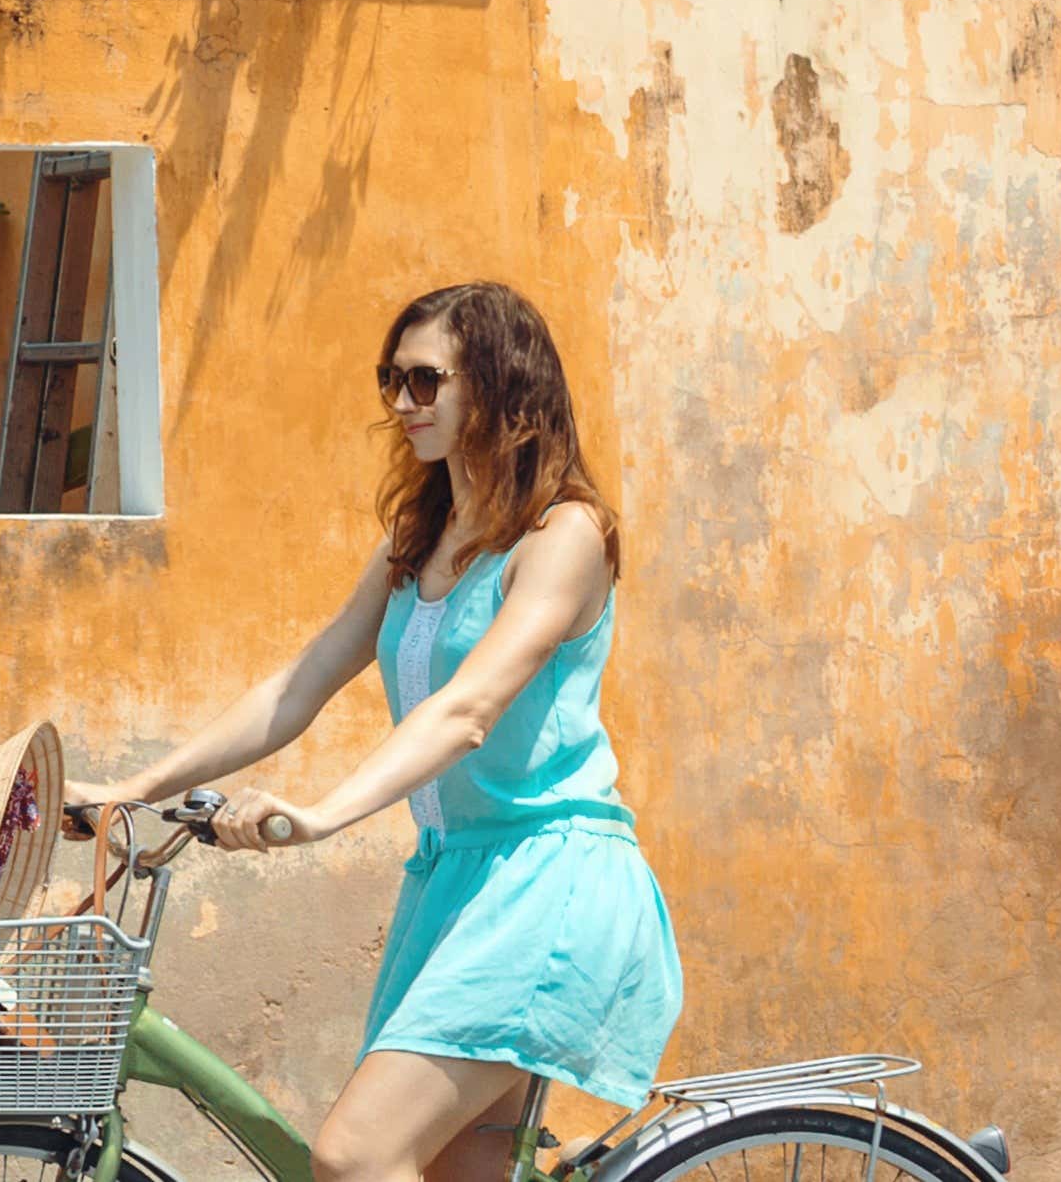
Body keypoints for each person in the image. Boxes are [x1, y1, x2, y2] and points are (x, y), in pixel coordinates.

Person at [69, 281, 681, 1182]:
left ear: (503, 388)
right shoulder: (418, 535)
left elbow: (467, 712)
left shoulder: (564, 535)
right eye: (391, 380)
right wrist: (134, 789)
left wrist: (321, 815)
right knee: (441, 1172)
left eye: (426, 381)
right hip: (453, 884)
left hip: (551, 883)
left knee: (357, 1156)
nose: (401, 403)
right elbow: (301, 682)